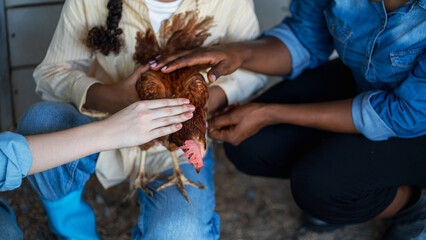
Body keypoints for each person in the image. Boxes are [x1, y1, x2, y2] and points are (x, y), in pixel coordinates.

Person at [152, 0, 426, 239]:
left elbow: (401, 114)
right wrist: (239, 53)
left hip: (415, 120)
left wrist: (270, 113)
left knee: (320, 186)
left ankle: (416, 206)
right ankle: (351, 177)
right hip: (367, 80)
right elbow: (305, 38)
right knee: (252, 145)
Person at [17, 0, 266, 239]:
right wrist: (111, 97)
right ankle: (73, 230)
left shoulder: (231, 3)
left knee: (180, 233)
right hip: (102, 126)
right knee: (42, 122)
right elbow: (50, 74)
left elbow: (255, 68)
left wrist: (202, 103)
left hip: (176, 148)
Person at [1, 99, 194, 239]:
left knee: (178, 231)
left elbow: (8, 158)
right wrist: (109, 125)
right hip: (110, 125)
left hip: (173, 155)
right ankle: (74, 232)